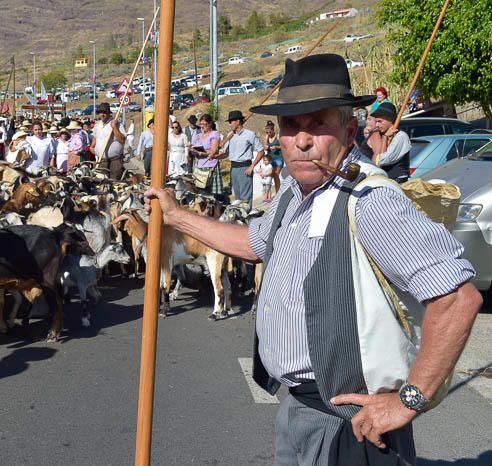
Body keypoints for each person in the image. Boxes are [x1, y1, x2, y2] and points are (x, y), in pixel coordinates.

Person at [144, 53, 481, 466]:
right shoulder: (293, 193)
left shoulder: (372, 201)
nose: (301, 140)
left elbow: (458, 299)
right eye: (291, 126)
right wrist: (178, 216)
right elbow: (253, 244)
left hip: (352, 425)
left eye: (318, 124)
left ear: (349, 128)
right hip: (300, 410)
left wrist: (408, 400)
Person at [219, 110, 262, 203]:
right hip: (233, 168)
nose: (229, 124)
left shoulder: (249, 134)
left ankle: (247, 216)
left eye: (231, 122)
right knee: (238, 198)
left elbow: (261, 151)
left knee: (245, 198)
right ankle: (240, 216)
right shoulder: (230, 136)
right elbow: (226, 154)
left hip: (245, 167)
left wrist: (252, 166)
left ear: (238, 121)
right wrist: (214, 156)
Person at [370, 102, 412, 184]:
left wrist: (385, 137)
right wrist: (384, 138)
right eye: (376, 122)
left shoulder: (401, 137)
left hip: (398, 183)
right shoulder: (381, 135)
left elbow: (382, 160)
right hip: (386, 181)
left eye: (380, 121)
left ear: (390, 120)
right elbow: (375, 162)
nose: (377, 125)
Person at [189, 114, 222, 198]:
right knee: (200, 191)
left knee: (210, 193)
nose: (202, 126)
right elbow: (193, 148)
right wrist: (193, 151)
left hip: (210, 165)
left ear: (210, 123)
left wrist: (202, 153)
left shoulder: (214, 134)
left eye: (204, 124)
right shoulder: (198, 136)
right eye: (201, 124)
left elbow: (214, 150)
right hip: (199, 165)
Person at [91, 103, 126, 180]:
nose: (102, 114)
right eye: (100, 112)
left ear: (108, 113)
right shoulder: (97, 125)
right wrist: (92, 146)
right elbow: (96, 137)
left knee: (114, 182)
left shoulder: (117, 124)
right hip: (101, 160)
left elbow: (122, 140)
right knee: (100, 183)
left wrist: (114, 127)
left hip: (114, 160)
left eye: (104, 112)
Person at [262, 120, 283, 192]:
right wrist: (266, 143)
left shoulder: (277, 136)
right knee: (269, 175)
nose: (268, 133)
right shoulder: (266, 137)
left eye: (269, 132)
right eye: (266, 132)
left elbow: (283, 146)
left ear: (273, 130)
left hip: (278, 158)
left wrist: (277, 147)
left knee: (276, 174)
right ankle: (268, 194)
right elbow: (264, 147)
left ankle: (278, 193)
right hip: (270, 158)